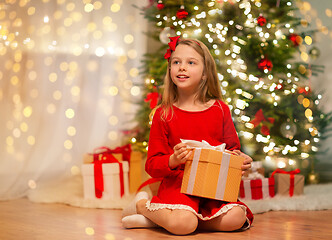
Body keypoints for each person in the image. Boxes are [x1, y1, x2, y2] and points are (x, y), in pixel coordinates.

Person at [122, 36, 254, 235]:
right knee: (184, 224)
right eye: (176, 62)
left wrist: (241, 160)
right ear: (170, 70)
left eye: (191, 62)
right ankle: (143, 206)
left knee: (236, 218)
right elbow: (152, 165)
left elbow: (233, 150)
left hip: (212, 188)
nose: (182, 67)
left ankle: (165, 220)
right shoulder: (164, 114)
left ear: (204, 73)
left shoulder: (220, 109)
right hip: (179, 187)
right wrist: (174, 160)